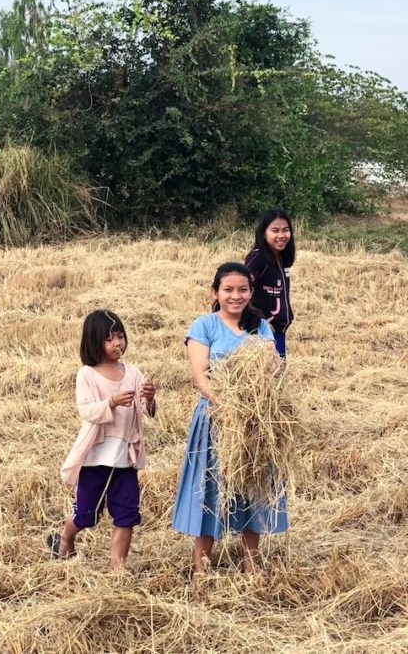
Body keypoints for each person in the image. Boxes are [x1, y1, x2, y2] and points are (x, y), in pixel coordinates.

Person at [171, 262, 287, 574]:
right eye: (228, 290)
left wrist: (255, 402)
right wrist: (227, 405)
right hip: (216, 418)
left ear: (251, 292)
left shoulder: (260, 326)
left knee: (254, 483)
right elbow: (200, 378)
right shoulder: (204, 326)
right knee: (211, 487)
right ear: (215, 292)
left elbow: (271, 365)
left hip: (254, 420)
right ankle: (201, 566)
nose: (236, 296)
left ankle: (251, 561)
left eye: (243, 290)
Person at [52, 310, 157, 570]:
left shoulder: (132, 372)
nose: (117, 344)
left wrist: (150, 398)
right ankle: (66, 536)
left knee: (127, 515)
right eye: (109, 339)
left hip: (124, 459)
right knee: (86, 515)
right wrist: (110, 402)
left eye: (120, 336)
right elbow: (86, 411)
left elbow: (147, 411)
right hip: (95, 459)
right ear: (94, 341)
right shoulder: (87, 374)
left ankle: (116, 570)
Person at [245, 209, 295, 357]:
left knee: (278, 373)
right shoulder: (258, 258)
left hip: (279, 330)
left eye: (285, 230)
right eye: (275, 230)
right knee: (268, 374)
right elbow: (241, 289)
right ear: (263, 233)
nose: (281, 236)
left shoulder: (280, 258)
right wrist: (256, 320)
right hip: (263, 331)